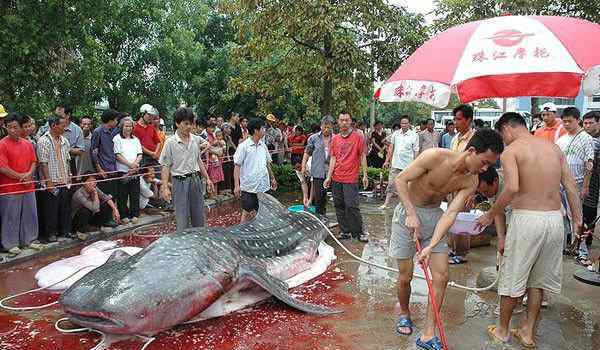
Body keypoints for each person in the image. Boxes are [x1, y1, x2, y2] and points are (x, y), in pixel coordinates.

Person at [391, 128, 503, 349]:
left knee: (441, 276)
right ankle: (404, 311)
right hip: (407, 214)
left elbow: (451, 213)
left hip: (435, 218)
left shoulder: (470, 182)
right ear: (471, 151)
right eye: (484, 162)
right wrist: (411, 213)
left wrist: (431, 245)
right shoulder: (434, 156)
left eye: (489, 165)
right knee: (405, 276)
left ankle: (428, 333)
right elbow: (401, 180)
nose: (485, 169)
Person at [476, 112, 581, 348]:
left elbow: (512, 187)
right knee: (538, 281)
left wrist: (490, 214)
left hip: (527, 219)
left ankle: (502, 330)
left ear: (507, 129)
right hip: (555, 220)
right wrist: (577, 219)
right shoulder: (553, 148)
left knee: (513, 277)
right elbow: (571, 185)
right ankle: (527, 331)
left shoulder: (512, 151)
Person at [160, 107, 214, 231]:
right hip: (179, 182)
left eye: (191, 123)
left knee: (199, 217)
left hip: (196, 180)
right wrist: (165, 187)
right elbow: (165, 166)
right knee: (182, 217)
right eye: (186, 124)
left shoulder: (195, 139)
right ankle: (184, 245)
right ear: (177, 123)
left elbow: (198, 160)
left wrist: (208, 178)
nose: (189, 127)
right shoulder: (170, 142)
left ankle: (199, 242)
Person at [555, 107, 594, 265]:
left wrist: (585, 186)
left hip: (577, 184)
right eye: (564, 121)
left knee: (576, 218)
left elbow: (589, 164)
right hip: (559, 184)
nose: (566, 124)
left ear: (577, 120)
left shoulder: (586, 138)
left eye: (569, 121)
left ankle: (582, 251)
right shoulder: (561, 139)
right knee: (562, 217)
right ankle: (565, 247)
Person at [324, 112, 369, 242]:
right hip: (337, 177)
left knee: (351, 206)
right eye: (342, 120)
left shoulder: (358, 137)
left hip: (351, 178)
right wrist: (329, 177)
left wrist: (365, 175)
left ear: (350, 122)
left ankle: (359, 232)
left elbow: (362, 156)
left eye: (347, 120)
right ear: (338, 122)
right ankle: (345, 231)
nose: (344, 122)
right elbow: (333, 158)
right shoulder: (335, 139)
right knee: (339, 205)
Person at [0, 113, 41, 256]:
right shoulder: (2, 144)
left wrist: (29, 174)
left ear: (20, 128)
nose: (12, 130)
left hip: (28, 185)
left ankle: (30, 240)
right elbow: (2, 167)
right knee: (10, 216)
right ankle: (10, 244)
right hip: (9, 187)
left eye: (15, 127)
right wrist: (21, 176)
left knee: (30, 214)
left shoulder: (28, 144)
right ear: (5, 127)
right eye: (9, 127)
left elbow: (33, 162)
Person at [233, 118, 277, 223]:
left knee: (263, 211)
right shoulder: (244, 146)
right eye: (263, 128)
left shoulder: (263, 145)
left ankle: (259, 231)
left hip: (263, 185)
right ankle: (242, 233)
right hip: (249, 186)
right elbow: (237, 166)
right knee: (246, 211)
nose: (264, 130)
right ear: (256, 131)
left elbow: (267, 163)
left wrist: (273, 178)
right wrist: (237, 185)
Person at [37, 113, 72, 242]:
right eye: (62, 125)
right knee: (50, 210)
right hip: (51, 181)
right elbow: (43, 162)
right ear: (53, 125)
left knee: (64, 208)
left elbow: (67, 160)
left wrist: (69, 176)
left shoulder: (65, 141)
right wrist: (49, 182)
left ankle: (65, 231)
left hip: (64, 180)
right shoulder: (43, 141)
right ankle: (51, 234)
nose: (64, 128)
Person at [449, 104, 476, 265]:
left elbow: (477, 167)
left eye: (458, 119)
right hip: (453, 184)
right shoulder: (455, 138)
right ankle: (453, 249)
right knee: (452, 216)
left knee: (462, 219)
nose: (456, 122)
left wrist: (473, 191)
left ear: (468, 120)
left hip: (467, 185)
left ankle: (462, 253)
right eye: (454, 119)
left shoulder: (475, 139)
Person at [380, 115, 419, 210]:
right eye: (402, 123)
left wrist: (415, 164)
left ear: (409, 124)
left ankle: (407, 205)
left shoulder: (414, 135)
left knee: (407, 185)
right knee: (391, 183)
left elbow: (416, 151)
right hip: (396, 163)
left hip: (408, 165)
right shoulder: (395, 134)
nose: (404, 125)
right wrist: (387, 161)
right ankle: (386, 203)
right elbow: (391, 148)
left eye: (406, 123)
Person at [37, 103, 84, 176]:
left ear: (68, 115)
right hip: (50, 164)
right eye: (56, 115)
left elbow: (80, 151)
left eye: (60, 116)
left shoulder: (77, 130)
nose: (57, 118)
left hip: (69, 163)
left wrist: (63, 148)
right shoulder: (46, 127)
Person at [302, 116, 334, 215]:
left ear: (332, 127)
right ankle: (320, 218)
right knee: (319, 198)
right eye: (324, 127)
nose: (326, 129)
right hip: (318, 172)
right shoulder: (313, 138)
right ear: (321, 126)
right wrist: (303, 166)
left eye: (329, 127)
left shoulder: (336, 139)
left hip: (332, 172)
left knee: (334, 198)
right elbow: (307, 153)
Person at [113, 117, 143, 224]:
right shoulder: (117, 138)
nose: (128, 128)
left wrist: (135, 165)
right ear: (122, 127)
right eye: (126, 126)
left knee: (135, 193)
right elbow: (117, 155)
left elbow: (140, 154)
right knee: (122, 194)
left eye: (130, 126)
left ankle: (134, 214)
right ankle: (123, 215)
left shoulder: (135, 139)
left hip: (135, 171)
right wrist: (130, 165)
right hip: (123, 171)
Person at [582, 111, 600, 254]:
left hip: (595, 179)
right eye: (585, 123)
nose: (587, 126)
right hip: (585, 179)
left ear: (598, 122)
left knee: (590, 209)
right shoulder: (583, 138)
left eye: (590, 123)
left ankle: (587, 240)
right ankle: (582, 239)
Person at [91, 109, 120, 197]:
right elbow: (94, 152)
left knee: (114, 195)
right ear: (110, 120)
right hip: (104, 170)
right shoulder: (98, 132)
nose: (117, 122)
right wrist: (99, 169)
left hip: (114, 169)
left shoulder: (115, 131)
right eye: (115, 120)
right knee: (105, 197)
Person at [133, 104, 161, 170]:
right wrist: (151, 153)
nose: (151, 117)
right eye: (149, 115)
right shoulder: (135, 128)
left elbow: (158, 142)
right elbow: (138, 145)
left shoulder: (151, 127)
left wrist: (155, 153)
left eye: (152, 116)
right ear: (142, 114)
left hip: (154, 157)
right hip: (143, 158)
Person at [207, 129, 226, 195]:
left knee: (216, 180)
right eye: (217, 136)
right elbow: (211, 148)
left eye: (220, 136)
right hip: (213, 163)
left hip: (217, 162)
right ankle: (212, 194)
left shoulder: (222, 142)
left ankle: (215, 194)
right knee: (212, 180)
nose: (219, 137)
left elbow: (223, 150)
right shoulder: (214, 141)